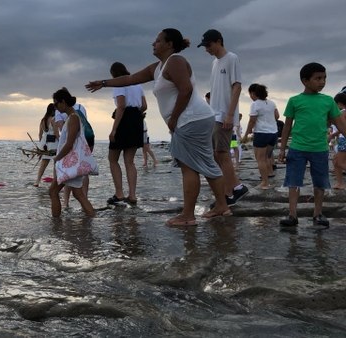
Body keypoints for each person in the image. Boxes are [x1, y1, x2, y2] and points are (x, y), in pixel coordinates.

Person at [86, 28, 230, 226]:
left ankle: (188, 216)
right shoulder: (159, 67)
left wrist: (173, 119)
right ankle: (222, 206)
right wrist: (103, 83)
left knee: (189, 167)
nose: (153, 44)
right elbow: (129, 79)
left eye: (158, 41)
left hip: (190, 120)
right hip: (197, 118)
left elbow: (186, 90)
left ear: (169, 44)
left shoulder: (176, 61)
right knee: (206, 163)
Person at [278, 62, 346, 227]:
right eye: (318, 78)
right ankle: (292, 215)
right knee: (293, 182)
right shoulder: (294, 101)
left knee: (320, 182)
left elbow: (340, 124)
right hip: (297, 148)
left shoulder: (328, 101)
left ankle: (318, 214)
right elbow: (287, 126)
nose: (322, 82)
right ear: (305, 81)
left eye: (324, 78)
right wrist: (282, 149)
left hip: (320, 149)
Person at [198, 29, 248, 207]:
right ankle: (234, 188)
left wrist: (229, 114)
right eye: (205, 46)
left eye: (209, 45)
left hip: (224, 115)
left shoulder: (231, 58)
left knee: (222, 153)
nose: (207, 49)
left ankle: (232, 190)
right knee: (217, 154)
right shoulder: (214, 63)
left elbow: (237, 87)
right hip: (214, 114)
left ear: (218, 41)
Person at [49, 89, 96, 217]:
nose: (56, 107)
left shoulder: (74, 118)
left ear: (63, 102)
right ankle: (91, 218)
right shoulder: (72, 117)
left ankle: (56, 224)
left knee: (53, 191)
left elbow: (69, 144)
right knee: (78, 194)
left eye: (56, 104)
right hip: (71, 163)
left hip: (70, 163)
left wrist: (57, 158)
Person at [105, 62, 146, 205]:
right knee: (130, 161)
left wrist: (114, 129)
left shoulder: (119, 84)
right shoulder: (137, 84)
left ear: (114, 74)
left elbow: (121, 106)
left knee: (113, 158)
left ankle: (119, 193)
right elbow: (144, 106)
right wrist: (136, 116)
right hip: (137, 119)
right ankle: (132, 195)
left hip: (124, 119)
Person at [242, 84, 278, 190]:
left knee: (260, 159)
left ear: (253, 93)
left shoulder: (255, 104)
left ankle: (265, 182)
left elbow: (252, 120)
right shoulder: (272, 103)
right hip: (273, 133)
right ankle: (270, 173)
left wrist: (246, 134)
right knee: (267, 156)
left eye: (250, 94)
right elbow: (277, 116)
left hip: (262, 133)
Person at [34, 103, 57, 187]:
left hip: (44, 143)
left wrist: (41, 145)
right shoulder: (53, 119)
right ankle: (55, 182)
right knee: (56, 163)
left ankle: (37, 181)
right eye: (55, 110)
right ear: (52, 110)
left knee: (43, 164)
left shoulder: (42, 120)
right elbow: (56, 133)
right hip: (53, 143)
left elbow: (40, 134)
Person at [330, 93, 346, 189]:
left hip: (344, 139)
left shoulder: (343, 112)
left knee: (340, 162)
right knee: (335, 161)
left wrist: (331, 135)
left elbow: (342, 128)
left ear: (339, 103)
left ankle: (340, 183)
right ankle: (339, 183)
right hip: (342, 139)